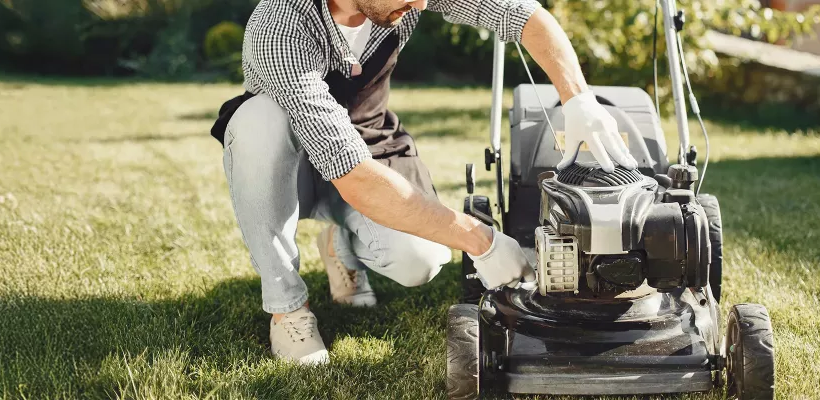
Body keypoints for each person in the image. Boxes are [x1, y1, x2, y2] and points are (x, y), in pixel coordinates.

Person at [208, 0, 639, 365]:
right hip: (293, 161)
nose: (420, 5)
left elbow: (523, 13)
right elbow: (354, 175)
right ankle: (288, 310)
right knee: (258, 123)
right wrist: (482, 239)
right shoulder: (280, 26)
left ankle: (341, 242)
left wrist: (578, 98)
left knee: (420, 261)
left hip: (370, 143)